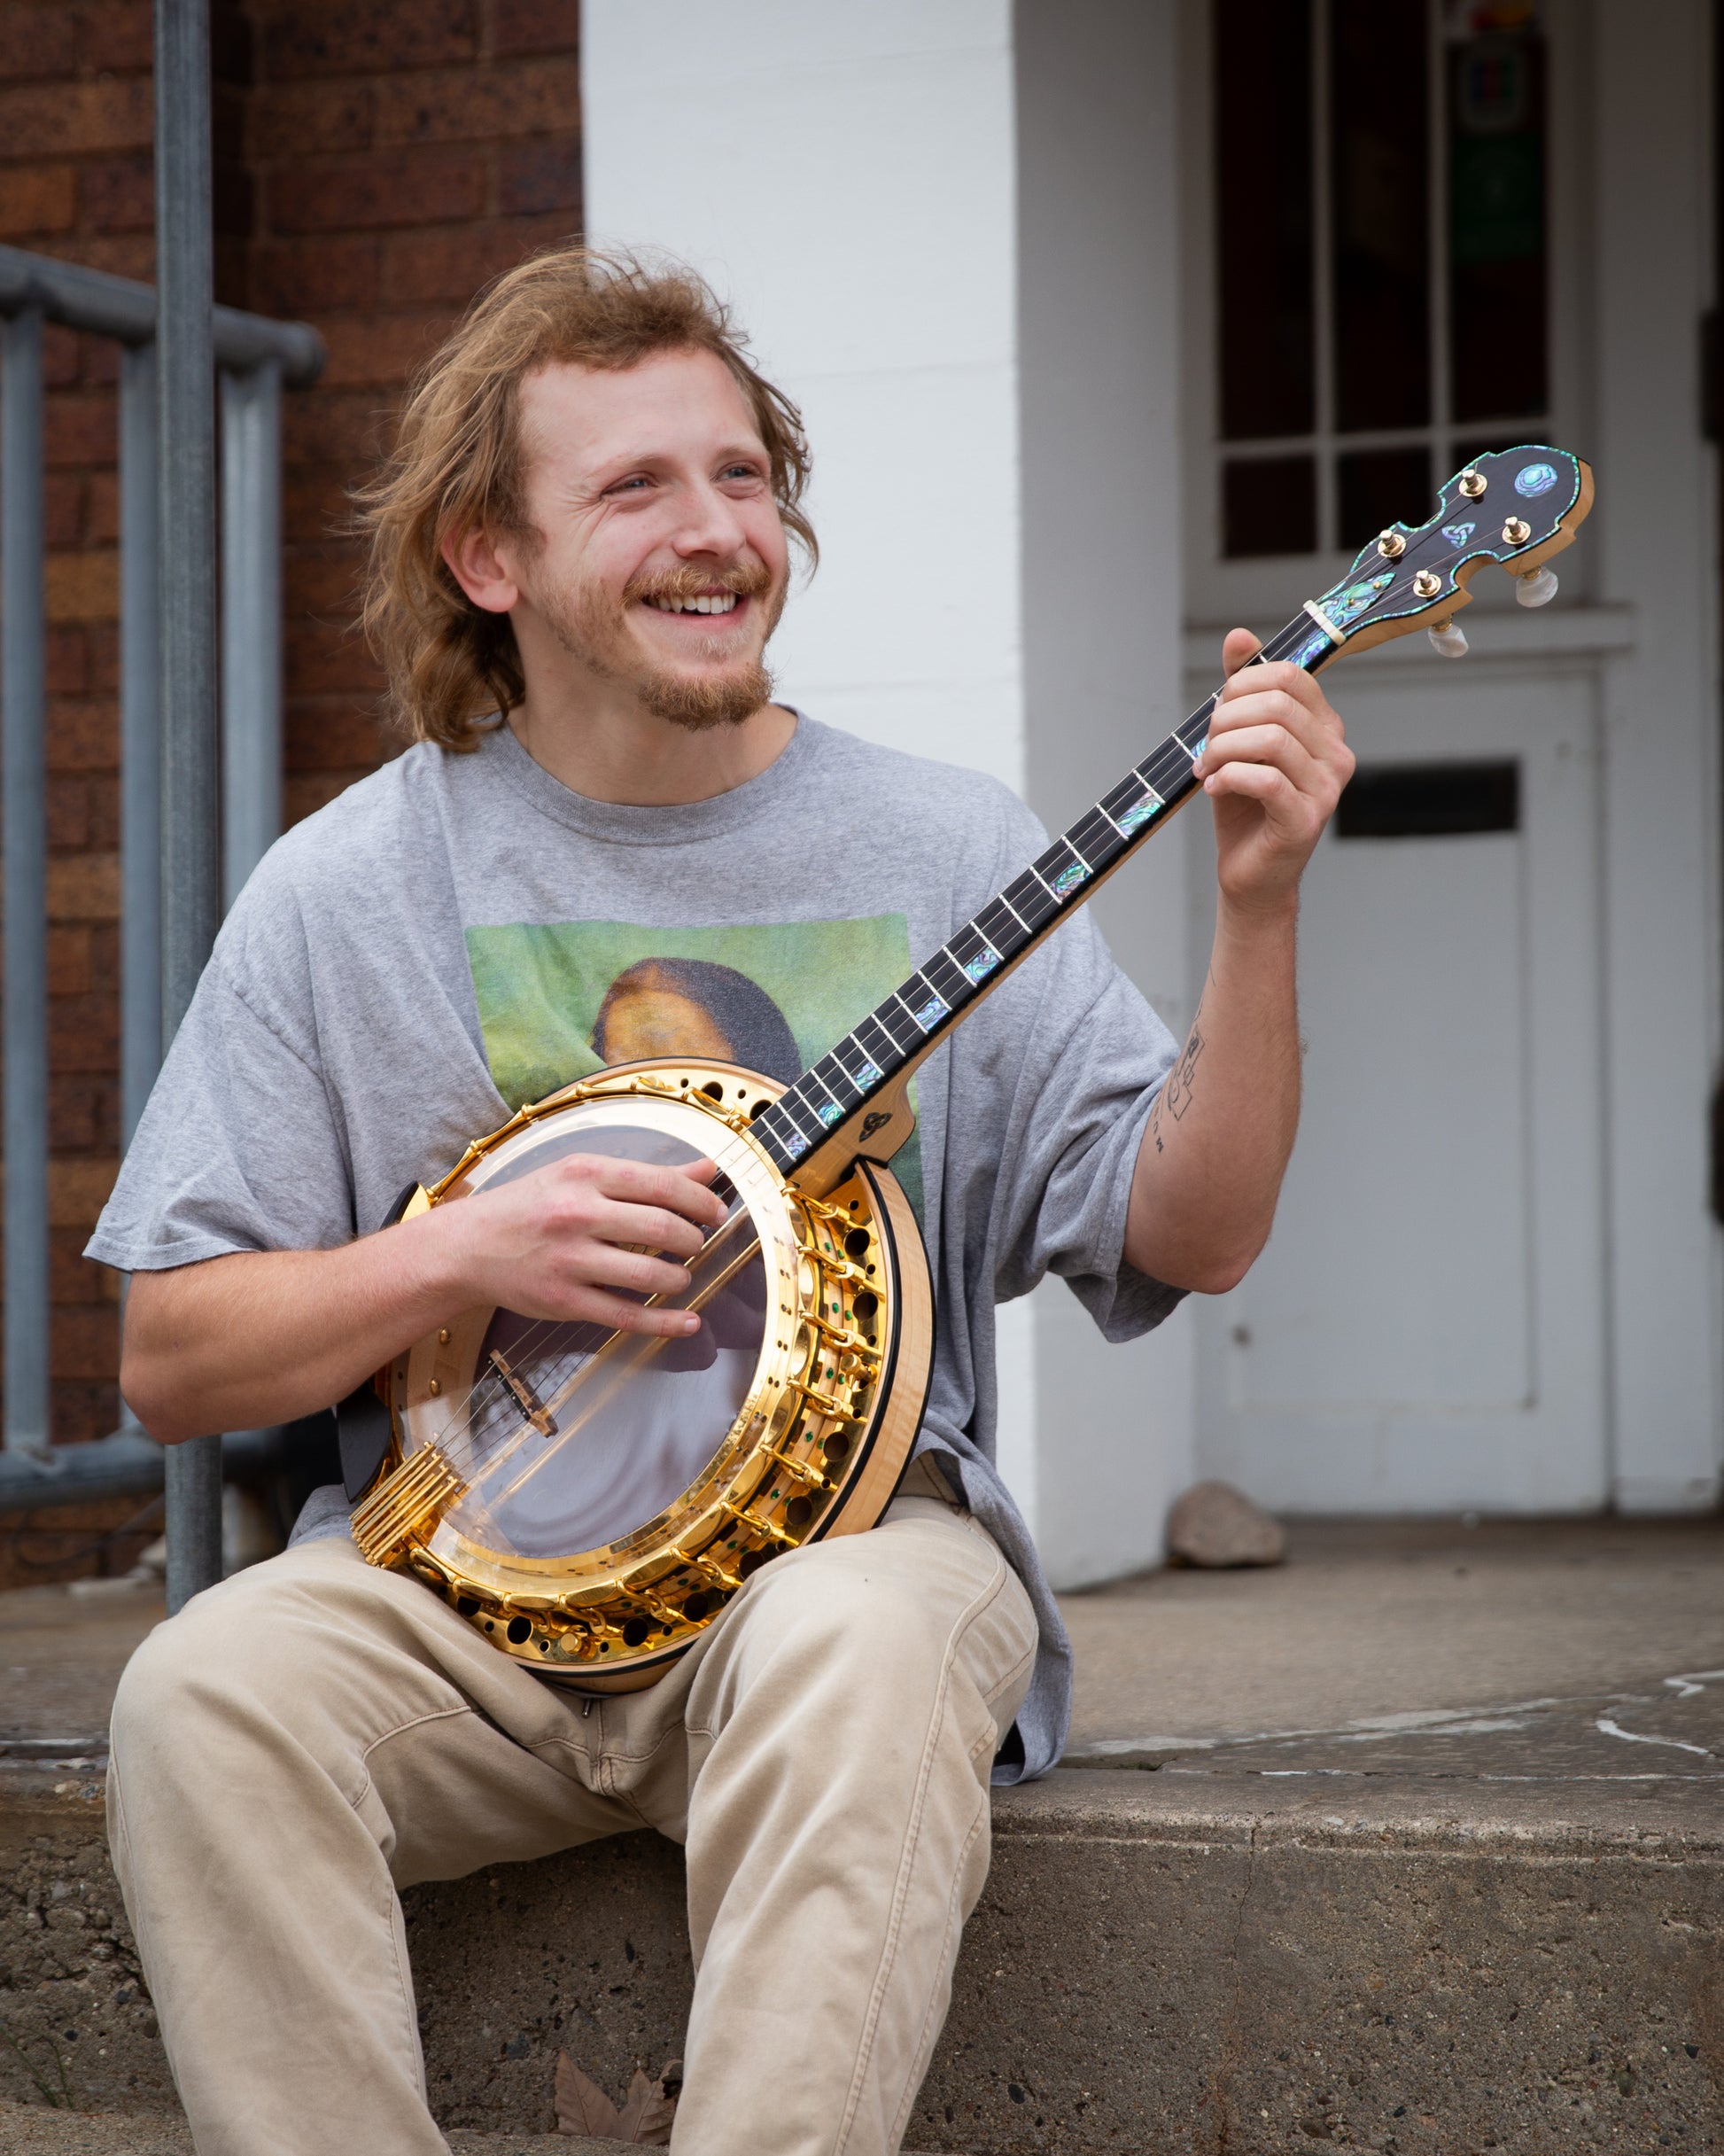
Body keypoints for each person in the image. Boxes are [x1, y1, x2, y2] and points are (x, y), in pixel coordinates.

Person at [90, 247, 1353, 2156]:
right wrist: (458, 1250)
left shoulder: (938, 844)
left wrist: (1255, 910)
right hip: (467, 1587)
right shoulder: (351, 885)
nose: (720, 534)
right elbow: (171, 1354)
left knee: (861, 1635)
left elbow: (1192, 1232)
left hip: (837, 1562)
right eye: (637, 488)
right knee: (202, 1690)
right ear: (485, 559)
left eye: (744, 476)